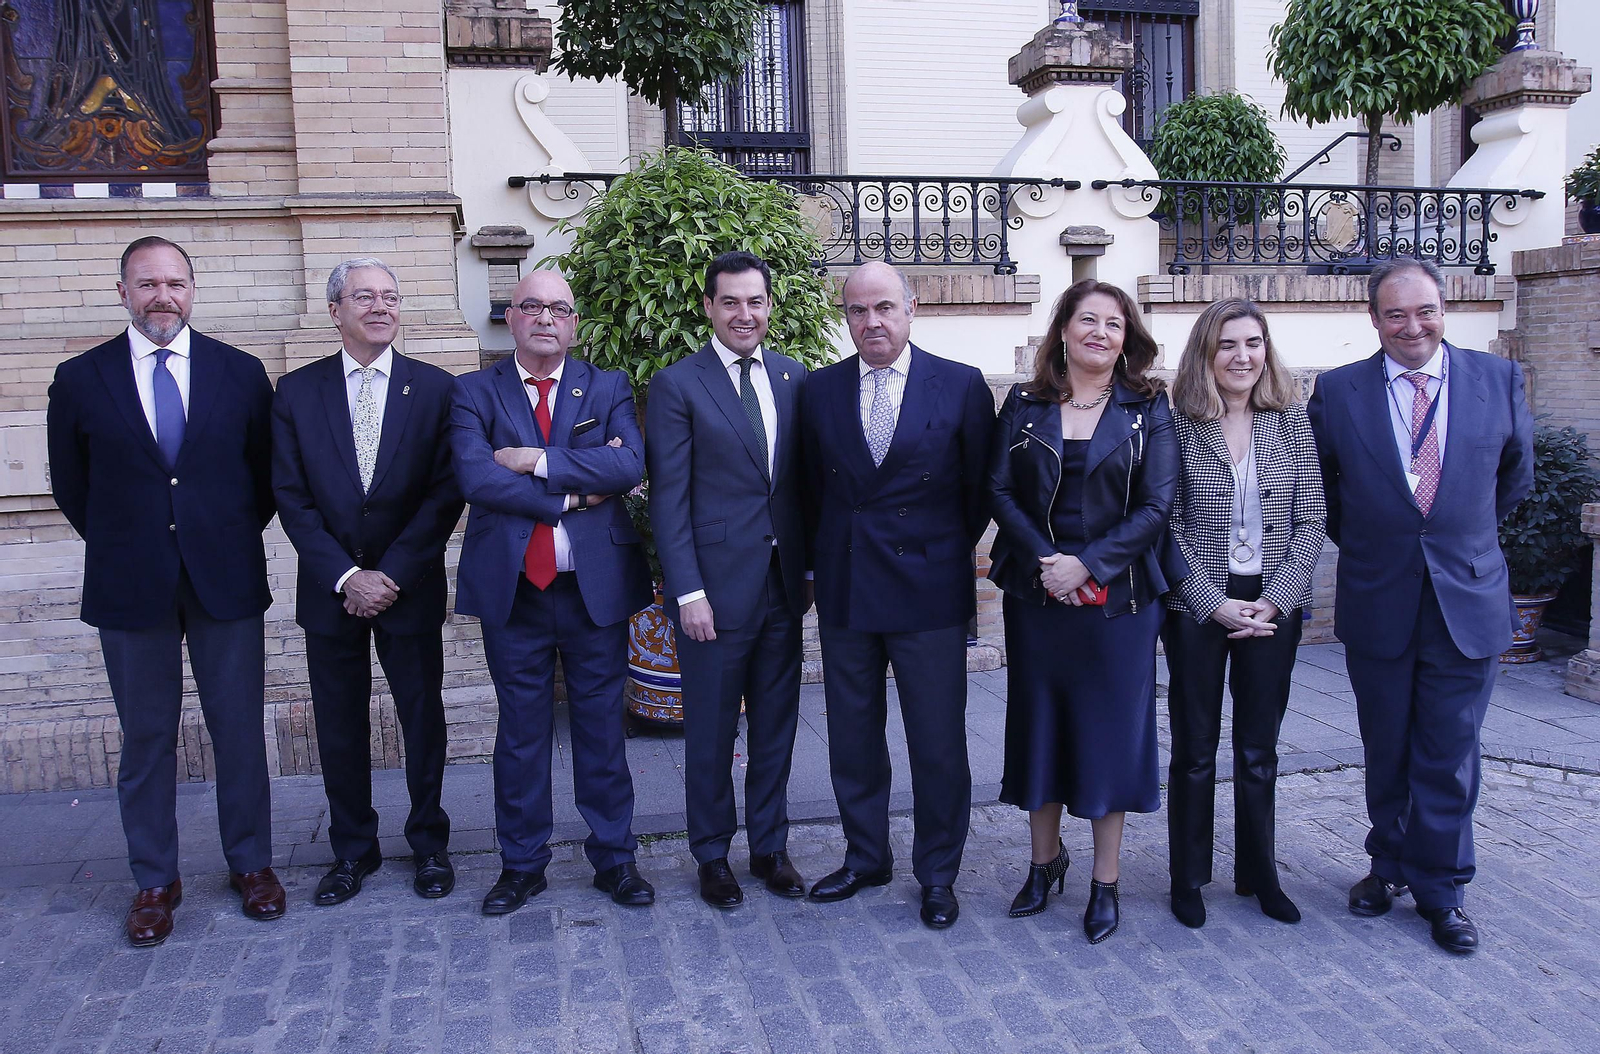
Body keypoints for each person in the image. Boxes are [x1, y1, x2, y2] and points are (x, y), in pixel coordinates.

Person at [46, 236, 285, 946]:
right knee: (146, 737)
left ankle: (253, 865)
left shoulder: (240, 374)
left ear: (193, 289)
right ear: (123, 291)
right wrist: (136, 540)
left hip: (225, 579)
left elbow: (264, 481)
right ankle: (155, 878)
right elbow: (72, 488)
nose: (162, 296)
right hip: (130, 584)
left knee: (239, 732)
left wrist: (212, 535)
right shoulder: (80, 378)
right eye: (147, 283)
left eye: (175, 283)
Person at [1308, 259, 1532, 954]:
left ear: (1445, 308)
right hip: (1381, 595)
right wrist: (1394, 548)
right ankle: (1388, 863)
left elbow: (1513, 478)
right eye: (1396, 314)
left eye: (1425, 310)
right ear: (1373, 319)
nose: (1413, 326)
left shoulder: (1497, 380)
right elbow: (1332, 497)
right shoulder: (1339, 391)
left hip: (1466, 598)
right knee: (1387, 745)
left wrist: (1452, 544)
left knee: (1448, 749)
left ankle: (1441, 888)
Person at [449, 268, 655, 914]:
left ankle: (615, 860)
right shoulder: (474, 392)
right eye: (531, 306)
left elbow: (629, 465)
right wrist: (573, 492)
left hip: (595, 588)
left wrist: (534, 461)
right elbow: (476, 478)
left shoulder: (607, 386)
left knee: (601, 728)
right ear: (509, 317)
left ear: (573, 323)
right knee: (520, 734)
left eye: (558, 309)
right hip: (515, 590)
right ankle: (521, 865)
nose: (545, 318)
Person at [798, 262, 994, 930]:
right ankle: (865, 856)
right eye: (857, 311)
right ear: (844, 317)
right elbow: (809, 493)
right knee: (852, 737)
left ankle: (937, 872)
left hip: (929, 590)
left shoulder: (961, 386)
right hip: (848, 587)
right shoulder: (818, 390)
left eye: (884, 307)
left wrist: (940, 556)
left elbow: (976, 496)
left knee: (937, 742)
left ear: (912, 308)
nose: (872, 322)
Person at [987, 278, 1178, 943]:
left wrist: (1088, 564)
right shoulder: (1025, 401)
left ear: (1128, 339)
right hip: (1038, 594)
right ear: (1063, 328)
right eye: (1087, 319)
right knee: (1037, 727)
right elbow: (997, 489)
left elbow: (1158, 506)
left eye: (1114, 324)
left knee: (1106, 737)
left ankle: (1105, 879)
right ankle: (1044, 864)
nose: (1100, 332)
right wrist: (1047, 558)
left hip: (1118, 602)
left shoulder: (1147, 406)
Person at [271, 258, 464, 907]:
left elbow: (445, 493)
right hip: (331, 593)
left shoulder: (436, 390)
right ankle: (352, 850)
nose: (380, 307)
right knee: (340, 726)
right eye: (364, 297)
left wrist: (392, 573)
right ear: (335, 311)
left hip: (407, 589)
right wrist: (348, 576)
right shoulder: (296, 393)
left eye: (390, 296)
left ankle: (430, 843)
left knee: (423, 719)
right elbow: (290, 498)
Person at [646, 251, 810, 909]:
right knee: (712, 731)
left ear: (770, 307)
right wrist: (687, 591)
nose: (746, 314)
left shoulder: (795, 378)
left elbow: (798, 490)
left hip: (782, 588)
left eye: (756, 302)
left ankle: (769, 848)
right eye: (732, 302)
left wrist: (811, 571)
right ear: (709, 308)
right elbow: (669, 496)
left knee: (777, 726)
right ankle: (712, 855)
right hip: (712, 593)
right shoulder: (678, 384)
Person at [1162, 298, 1326, 929]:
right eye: (1227, 345)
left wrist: (1278, 601)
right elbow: (1168, 523)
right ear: (1206, 353)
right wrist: (1214, 603)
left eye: (1253, 343)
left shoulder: (1291, 422)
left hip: (1273, 598)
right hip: (1198, 604)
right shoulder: (1178, 425)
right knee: (1195, 747)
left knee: (1259, 749)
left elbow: (1311, 518)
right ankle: (1188, 877)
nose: (1242, 356)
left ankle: (1259, 873)